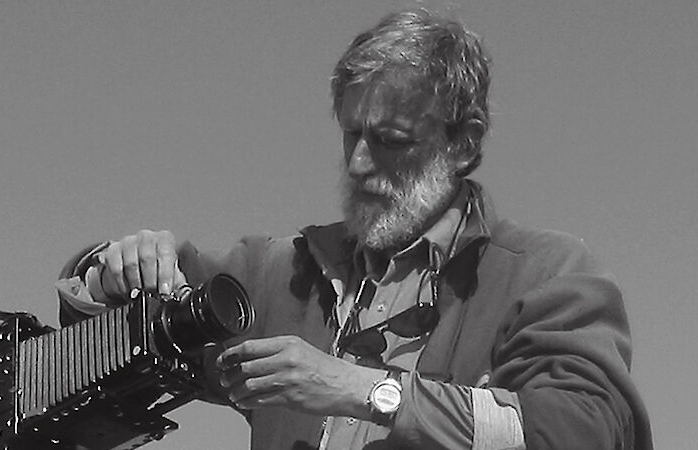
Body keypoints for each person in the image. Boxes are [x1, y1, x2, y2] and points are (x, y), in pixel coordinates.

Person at [55, 8, 652, 450]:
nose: (360, 165)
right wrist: (113, 271)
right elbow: (104, 347)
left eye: (391, 141)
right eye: (351, 135)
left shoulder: (546, 272)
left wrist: (362, 388)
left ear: (464, 143)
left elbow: (586, 431)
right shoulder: (277, 273)